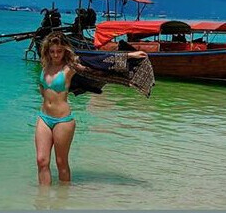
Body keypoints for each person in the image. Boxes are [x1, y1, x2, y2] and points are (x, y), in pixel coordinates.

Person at [35, 31, 147, 185]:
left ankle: (63, 198)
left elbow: (99, 60)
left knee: (61, 162)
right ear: (47, 51)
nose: (55, 55)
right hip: (44, 118)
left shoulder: (70, 67)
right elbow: (43, 89)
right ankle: (42, 198)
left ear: (65, 50)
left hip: (63, 121)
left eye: (59, 51)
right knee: (41, 161)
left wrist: (129, 56)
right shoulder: (45, 65)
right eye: (52, 51)